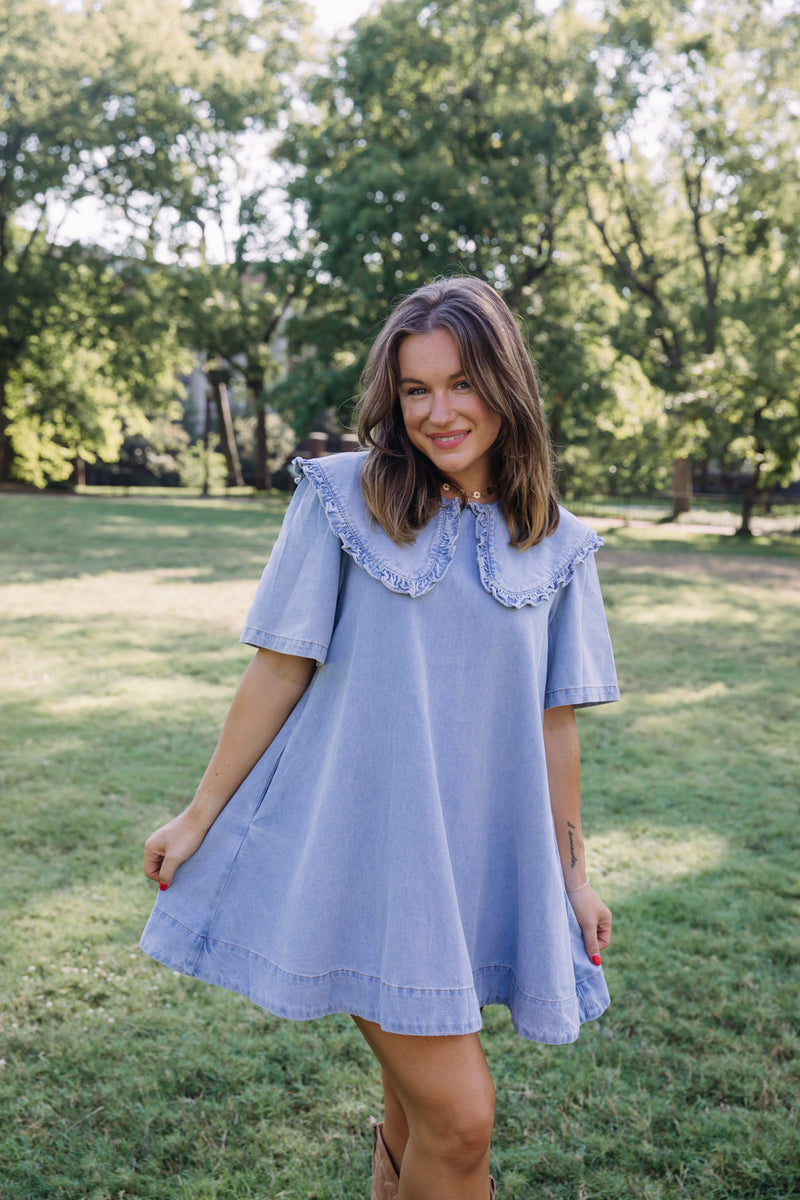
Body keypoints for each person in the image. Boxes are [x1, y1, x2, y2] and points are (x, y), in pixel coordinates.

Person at [141, 275, 619, 1200]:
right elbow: (280, 668)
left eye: (461, 383)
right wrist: (199, 815)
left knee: (418, 1115)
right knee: (462, 1116)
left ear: (506, 384)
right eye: (415, 390)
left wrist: (573, 875)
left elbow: (553, 724)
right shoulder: (340, 500)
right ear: (392, 398)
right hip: (360, 858)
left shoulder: (560, 543)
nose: (439, 412)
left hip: (473, 863)